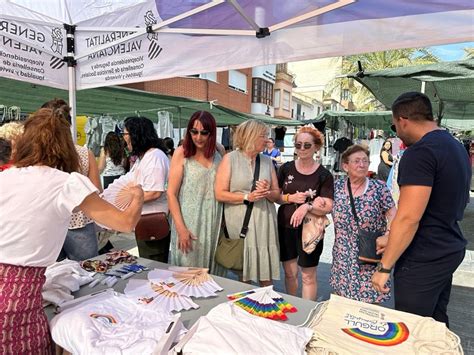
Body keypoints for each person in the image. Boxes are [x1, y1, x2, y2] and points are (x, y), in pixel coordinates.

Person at [0, 108, 143, 354]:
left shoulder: (7, 176)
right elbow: (125, 223)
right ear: (65, 145)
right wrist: (138, 196)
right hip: (16, 299)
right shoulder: (67, 182)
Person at [372, 92, 471, 325]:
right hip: (447, 245)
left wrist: (384, 267)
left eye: (394, 125)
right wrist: (392, 237)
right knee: (435, 324)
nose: (396, 131)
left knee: (412, 329)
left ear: (403, 120)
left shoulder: (420, 153)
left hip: (424, 255)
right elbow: (438, 205)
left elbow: (408, 218)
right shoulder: (455, 147)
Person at [215, 119, 280, 285]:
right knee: (244, 273)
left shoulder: (266, 161)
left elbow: (276, 195)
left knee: (266, 273)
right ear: (250, 136)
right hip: (240, 223)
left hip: (264, 222)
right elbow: (219, 194)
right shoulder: (230, 159)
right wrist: (246, 197)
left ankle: (267, 304)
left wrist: (267, 191)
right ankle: (246, 307)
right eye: (263, 136)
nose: (267, 139)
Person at [331, 144, 396, 304]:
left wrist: (388, 235)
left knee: (369, 305)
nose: (362, 165)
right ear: (345, 166)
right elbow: (321, 206)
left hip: (369, 256)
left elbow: (394, 215)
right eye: (357, 161)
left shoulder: (378, 188)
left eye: (365, 161)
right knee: (342, 303)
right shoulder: (336, 187)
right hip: (342, 256)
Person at [42, 98, 103, 261]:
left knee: (53, 278)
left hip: (48, 223)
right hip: (80, 223)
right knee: (88, 273)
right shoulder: (84, 153)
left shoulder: (38, 157)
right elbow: (97, 189)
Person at [277, 127, 334, 300]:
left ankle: (307, 313)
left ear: (316, 147)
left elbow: (328, 206)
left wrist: (307, 206)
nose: (301, 148)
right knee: (289, 273)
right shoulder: (285, 169)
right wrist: (290, 197)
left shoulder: (324, 175)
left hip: (311, 230)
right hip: (286, 226)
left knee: (308, 276)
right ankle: (294, 309)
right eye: (298, 144)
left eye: (307, 145)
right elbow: (276, 197)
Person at [168, 111, 223, 274]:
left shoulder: (218, 153)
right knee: (187, 275)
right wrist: (181, 229)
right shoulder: (181, 153)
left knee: (213, 276)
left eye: (204, 133)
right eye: (194, 132)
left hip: (214, 221)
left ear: (211, 133)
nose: (198, 137)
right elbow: (171, 194)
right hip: (189, 221)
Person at [122, 116, 170, 262]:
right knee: (148, 261)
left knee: (153, 264)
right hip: (144, 221)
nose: (123, 138)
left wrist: (129, 200)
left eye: (125, 134)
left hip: (152, 222)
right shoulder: (144, 157)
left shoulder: (155, 156)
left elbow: (155, 192)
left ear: (136, 135)